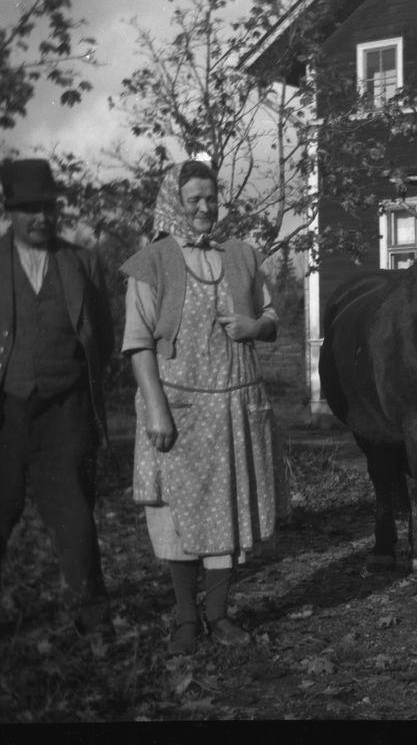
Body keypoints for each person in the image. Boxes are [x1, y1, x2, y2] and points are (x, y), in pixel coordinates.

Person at [0, 158, 115, 641]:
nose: (42, 217)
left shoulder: (83, 262)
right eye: (29, 209)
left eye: (49, 207)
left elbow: (101, 337)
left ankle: (92, 614)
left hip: (65, 410)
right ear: (9, 211)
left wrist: (68, 381)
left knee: (75, 513)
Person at [120, 159, 283, 655]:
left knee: (226, 511)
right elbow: (138, 343)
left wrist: (256, 327)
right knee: (176, 514)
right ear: (174, 202)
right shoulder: (151, 262)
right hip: (179, 407)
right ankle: (187, 620)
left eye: (211, 198)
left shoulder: (241, 254)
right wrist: (156, 410)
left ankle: (219, 615)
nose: (205, 208)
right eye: (193, 199)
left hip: (235, 405)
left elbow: (271, 315)